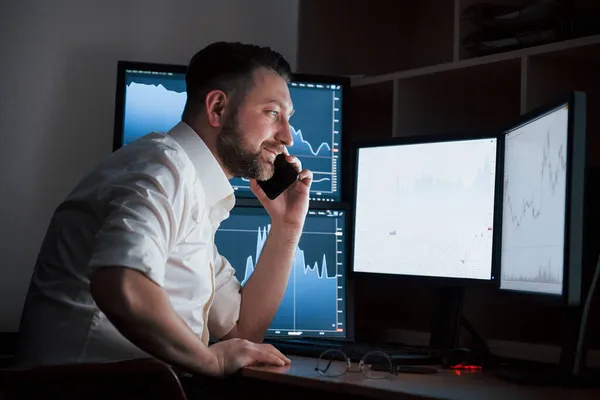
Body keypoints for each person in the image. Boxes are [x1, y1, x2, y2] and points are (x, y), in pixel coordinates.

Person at [15, 41, 312, 377]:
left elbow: (243, 332)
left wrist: (287, 227)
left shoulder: (191, 188)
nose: (287, 136)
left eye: (288, 119)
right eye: (273, 113)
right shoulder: (162, 169)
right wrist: (209, 360)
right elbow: (121, 281)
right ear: (217, 108)